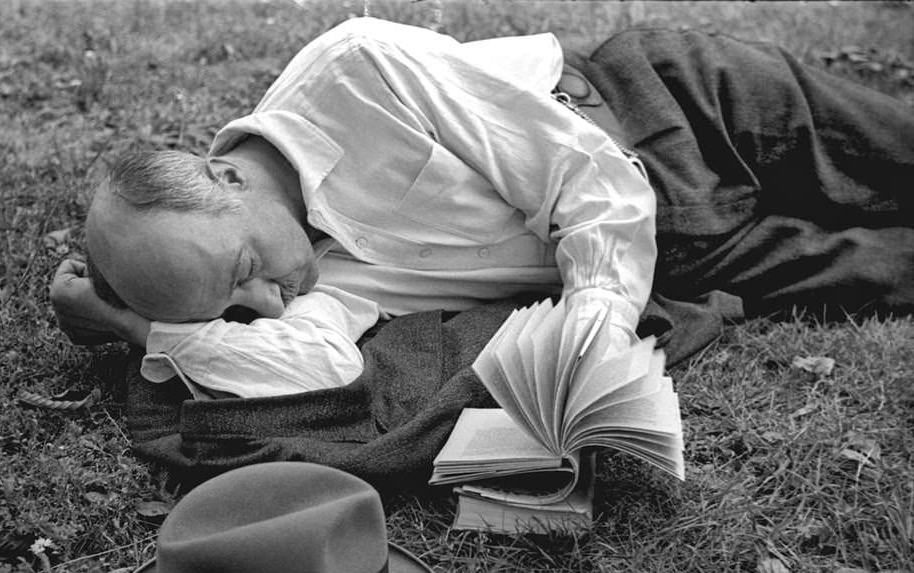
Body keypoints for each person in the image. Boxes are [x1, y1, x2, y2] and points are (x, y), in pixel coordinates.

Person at [51, 17, 913, 398]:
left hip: (666, 108)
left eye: (244, 275)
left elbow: (589, 178)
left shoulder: (359, 72)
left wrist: (595, 331)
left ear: (223, 176)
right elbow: (304, 366)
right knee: (887, 278)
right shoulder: (308, 280)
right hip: (679, 253)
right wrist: (134, 328)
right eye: (236, 312)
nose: (268, 304)